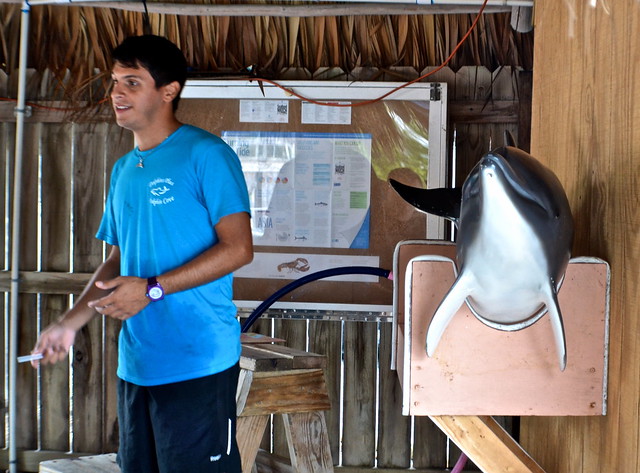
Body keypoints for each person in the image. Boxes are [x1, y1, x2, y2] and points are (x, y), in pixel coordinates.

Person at [30, 35, 253, 473]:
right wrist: (69, 323)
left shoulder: (207, 155)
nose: (117, 92)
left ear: (169, 91)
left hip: (198, 361)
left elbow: (239, 248)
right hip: (138, 364)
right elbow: (118, 259)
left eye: (132, 82)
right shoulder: (123, 169)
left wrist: (151, 289)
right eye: (115, 81)